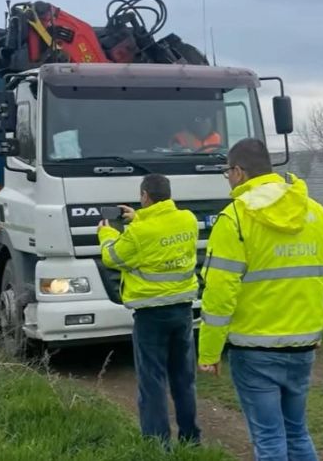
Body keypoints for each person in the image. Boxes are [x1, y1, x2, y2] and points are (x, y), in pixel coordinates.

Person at [199, 138, 323, 461]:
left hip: (254, 349)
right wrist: (318, 326)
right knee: (296, 432)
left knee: (269, 438)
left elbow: (220, 293)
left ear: (238, 172)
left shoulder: (233, 218)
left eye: (227, 173)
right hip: (303, 345)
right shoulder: (316, 213)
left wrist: (209, 351)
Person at [97, 173, 201, 445]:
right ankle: (191, 438)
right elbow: (162, 227)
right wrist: (140, 216)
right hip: (182, 310)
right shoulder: (188, 219)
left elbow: (112, 257)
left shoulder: (138, 233)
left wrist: (106, 233)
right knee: (184, 378)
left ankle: (158, 443)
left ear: (145, 196)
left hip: (150, 314)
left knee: (152, 380)